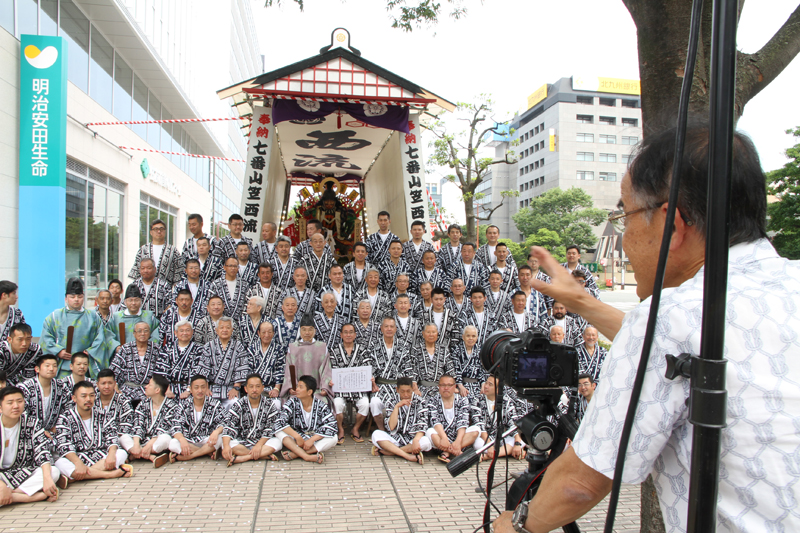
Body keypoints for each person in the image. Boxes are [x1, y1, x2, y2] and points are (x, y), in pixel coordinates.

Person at [493, 125, 796, 533]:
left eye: (625, 216)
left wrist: (515, 525)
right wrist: (583, 302)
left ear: (672, 224)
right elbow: (680, 352)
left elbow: (581, 484)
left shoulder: (670, 316)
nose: (626, 237)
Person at [53, 381, 133, 484]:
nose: (88, 399)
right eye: (84, 396)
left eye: (91, 395)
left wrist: (111, 454)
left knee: (121, 453)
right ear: (74, 398)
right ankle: (110, 474)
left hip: (101, 456)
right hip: (78, 457)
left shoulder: (103, 414)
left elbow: (112, 436)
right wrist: (78, 463)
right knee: (60, 462)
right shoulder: (65, 418)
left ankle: (75, 478)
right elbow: (64, 445)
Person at [0, 386, 62, 505]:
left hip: (21, 472)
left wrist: (47, 479)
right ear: (0, 408)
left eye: (19, 401)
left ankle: (11, 495)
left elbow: (42, 451)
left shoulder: (31, 423)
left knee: (53, 472)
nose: (16, 406)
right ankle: (28, 497)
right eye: (10, 403)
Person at [40, 278, 105, 378]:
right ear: (66, 298)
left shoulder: (93, 316)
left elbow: (101, 338)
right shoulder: (55, 316)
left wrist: (90, 351)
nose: (76, 299)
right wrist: (58, 351)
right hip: (62, 366)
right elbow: (46, 337)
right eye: (72, 297)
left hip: (84, 367)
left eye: (79, 296)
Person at [221, 373, 283, 465]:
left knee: (278, 442)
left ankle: (244, 458)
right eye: (251, 387)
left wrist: (258, 445)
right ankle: (263, 456)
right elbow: (229, 426)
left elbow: (270, 429)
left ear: (262, 388)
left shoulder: (269, 404)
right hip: (243, 442)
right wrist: (226, 446)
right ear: (246, 389)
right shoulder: (239, 405)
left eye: (257, 386)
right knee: (226, 444)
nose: (254, 390)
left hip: (263, 442)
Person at [275, 375, 337, 463]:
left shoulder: (321, 405)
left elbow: (332, 424)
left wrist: (312, 439)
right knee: (278, 431)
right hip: (296, 439)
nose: (297, 389)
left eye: (300, 387)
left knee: (334, 437)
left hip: (313, 438)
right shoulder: (292, 403)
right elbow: (280, 421)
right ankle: (306, 456)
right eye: (297, 386)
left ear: (309, 392)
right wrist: (297, 436)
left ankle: (298, 453)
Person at [367, 316, 413, 432]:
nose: (389, 329)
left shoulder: (403, 346)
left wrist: (408, 387)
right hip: (380, 386)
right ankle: (382, 429)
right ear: (381, 328)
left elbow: (408, 368)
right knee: (374, 402)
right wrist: (372, 384)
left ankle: (398, 429)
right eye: (386, 326)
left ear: (395, 329)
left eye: (391, 326)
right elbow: (368, 367)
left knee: (406, 399)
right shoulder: (373, 345)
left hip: (398, 387)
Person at [370, 376, 430, 464]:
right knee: (376, 434)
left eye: (408, 391)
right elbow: (391, 427)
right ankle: (407, 455)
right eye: (402, 391)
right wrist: (397, 407)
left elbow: (422, 424)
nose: (406, 394)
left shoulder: (421, 402)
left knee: (426, 442)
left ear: (412, 389)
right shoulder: (391, 401)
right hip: (396, 438)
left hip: (412, 439)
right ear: (397, 390)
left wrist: (416, 440)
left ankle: (390, 452)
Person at [167, 375, 225, 462]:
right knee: (173, 443)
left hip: (207, 440)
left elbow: (225, 422)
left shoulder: (215, 404)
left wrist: (216, 432)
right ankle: (206, 452)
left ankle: (190, 456)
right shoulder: (184, 405)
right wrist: (182, 440)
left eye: (203, 387)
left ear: (207, 388)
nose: (200, 390)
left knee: (221, 437)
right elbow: (176, 425)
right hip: (189, 440)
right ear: (190, 389)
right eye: (196, 387)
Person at [123, 375, 177, 468]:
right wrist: (136, 444)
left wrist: (148, 446)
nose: (146, 386)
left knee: (166, 438)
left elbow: (162, 429)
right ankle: (148, 456)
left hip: (155, 441)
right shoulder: (142, 404)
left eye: (149, 385)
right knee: (123, 437)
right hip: (142, 440)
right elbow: (138, 425)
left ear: (157, 390)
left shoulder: (171, 406)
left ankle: (135, 454)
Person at [195, 317, 249, 409]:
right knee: (207, 405)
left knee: (234, 403)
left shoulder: (238, 346)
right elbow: (204, 368)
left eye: (228, 327)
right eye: (221, 327)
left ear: (232, 330)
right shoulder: (209, 346)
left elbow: (242, 368)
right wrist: (206, 388)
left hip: (230, 388)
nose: (224, 330)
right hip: (212, 388)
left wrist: (236, 388)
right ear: (216, 330)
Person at [278, 315, 333, 404]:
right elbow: (288, 371)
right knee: (292, 403)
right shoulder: (293, 348)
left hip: (317, 390)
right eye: (304, 329)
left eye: (310, 329)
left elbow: (326, 371)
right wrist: (291, 387)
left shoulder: (322, 347)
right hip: (298, 390)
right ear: (299, 331)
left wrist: (325, 388)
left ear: (315, 331)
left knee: (323, 403)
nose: (307, 333)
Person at [329, 323, 369, 443]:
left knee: (365, 404)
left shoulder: (362, 350)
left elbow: (366, 369)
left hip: (358, 388)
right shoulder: (334, 351)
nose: (348, 335)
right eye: (345, 332)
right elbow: (332, 370)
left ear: (355, 335)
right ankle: (340, 429)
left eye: (351, 332)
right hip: (340, 389)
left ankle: (355, 429)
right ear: (341, 335)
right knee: (337, 404)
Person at [425, 374, 481, 462]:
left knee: (476, 430)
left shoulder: (462, 400)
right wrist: (444, 438)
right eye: (443, 385)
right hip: (442, 440)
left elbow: (463, 422)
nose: (446, 388)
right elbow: (435, 421)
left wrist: (458, 441)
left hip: (459, 439)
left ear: (455, 386)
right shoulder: (433, 400)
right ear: (438, 386)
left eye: (449, 385)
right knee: (429, 432)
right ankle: (456, 451)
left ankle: (448, 452)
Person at [474, 375, 525, 462]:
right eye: (486, 383)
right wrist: (489, 445)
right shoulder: (477, 400)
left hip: (501, 438)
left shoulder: (506, 401)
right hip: (485, 439)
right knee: (477, 443)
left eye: (490, 384)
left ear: (498, 390)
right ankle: (502, 453)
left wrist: (517, 444)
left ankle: (487, 456)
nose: (486, 386)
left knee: (521, 440)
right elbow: (480, 426)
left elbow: (514, 423)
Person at [18, 354, 70, 436]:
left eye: (54, 366)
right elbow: (22, 413)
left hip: (54, 432)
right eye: (47, 366)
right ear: (37, 369)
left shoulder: (61, 386)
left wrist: (58, 426)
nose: (51, 369)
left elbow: (68, 408)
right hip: (29, 432)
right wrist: (39, 431)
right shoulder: (25, 388)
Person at [110, 322, 160, 404]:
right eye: (139, 331)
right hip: (127, 391)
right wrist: (115, 385)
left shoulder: (156, 349)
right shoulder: (125, 349)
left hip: (149, 391)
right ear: (134, 334)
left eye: (146, 331)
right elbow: (114, 369)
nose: (142, 334)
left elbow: (161, 371)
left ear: (150, 333)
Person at [156, 320, 203, 400]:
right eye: (181, 331)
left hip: (191, 388)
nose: (185, 333)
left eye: (187, 330)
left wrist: (189, 390)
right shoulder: (167, 348)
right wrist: (166, 389)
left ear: (192, 332)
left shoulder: (199, 349)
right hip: (169, 388)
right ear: (175, 333)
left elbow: (198, 371)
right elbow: (161, 370)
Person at [129, 219, 184, 286]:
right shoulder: (143, 250)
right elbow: (136, 272)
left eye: (161, 229)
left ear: (165, 231)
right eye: (155, 229)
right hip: (144, 289)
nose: (159, 231)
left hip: (166, 289)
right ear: (151, 232)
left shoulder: (173, 251)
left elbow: (179, 273)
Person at [410, 323, 456, 399]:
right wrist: (415, 388)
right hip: (421, 389)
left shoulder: (444, 349)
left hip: (441, 389)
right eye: (428, 332)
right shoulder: (416, 349)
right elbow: (412, 370)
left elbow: (450, 370)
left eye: (433, 332)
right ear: (423, 334)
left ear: (437, 334)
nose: (431, 334)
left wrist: (452, 387)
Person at [95, 369, 134, 455]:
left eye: (110, 383)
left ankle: (134, 453)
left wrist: (111, 436)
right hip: (96, 439)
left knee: (125, 438)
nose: (107, 386)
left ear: (115, 383)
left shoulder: (123, 401)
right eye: (103, 383)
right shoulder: (92, 401)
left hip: (117, 438)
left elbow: (127, 427)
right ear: (97, 385)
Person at [108, 284, 161, 348]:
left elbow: (158, 333)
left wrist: (150, 346)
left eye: (136, 300)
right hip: (122, 351)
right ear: (125, 302)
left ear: (141, 301)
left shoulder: (149, 316)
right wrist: (116, 346)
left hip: (145, 351)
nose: (133, 303)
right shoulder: (116, 317)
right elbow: (108, 334)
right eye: (130, 300)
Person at [247, 322, 284, 400]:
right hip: (255, 388)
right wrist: (254, 387)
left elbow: (280, 370)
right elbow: (248, 369)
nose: (266, 335)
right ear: (259, 333)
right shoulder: (252, 349)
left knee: (276, 403)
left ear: (273, 333)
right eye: (263, 332)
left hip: (271, 388)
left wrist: (276, 388)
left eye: (269, 332)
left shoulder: (278, 349)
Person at [461, 287, 496, 355]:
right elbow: (461, 334)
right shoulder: (465, 315)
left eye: (480, 297)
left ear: (485, 298)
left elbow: (494, 334)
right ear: (471, 299)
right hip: (470, 352)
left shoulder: (491, 315)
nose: (477, 300)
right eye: (475, 298)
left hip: (487, 351)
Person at [452, 325, 485, 398]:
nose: (471, 338)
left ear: (477, 337)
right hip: (461, 385)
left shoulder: (480, 350)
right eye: (468, 336)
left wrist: (483, 384)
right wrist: (460, 386)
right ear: (463, 337)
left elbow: (482, 370)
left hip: (477, 385)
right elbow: (455, 370)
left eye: (473, 336)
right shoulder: (456, 350)